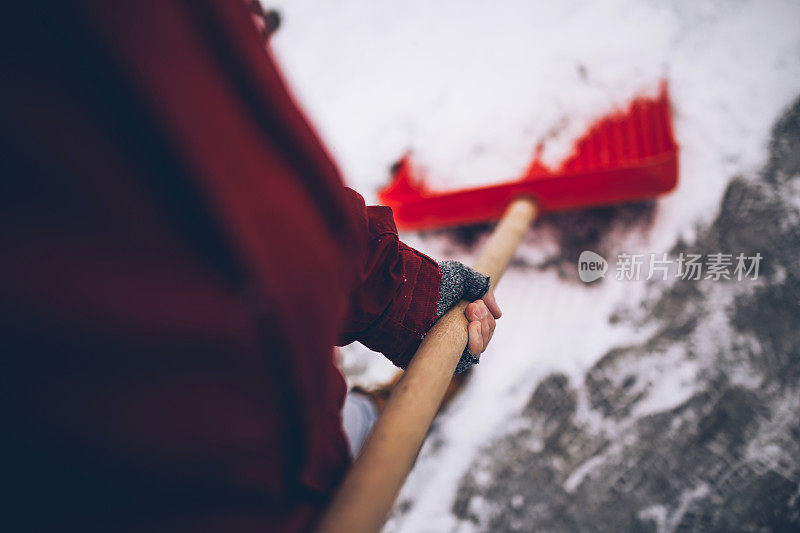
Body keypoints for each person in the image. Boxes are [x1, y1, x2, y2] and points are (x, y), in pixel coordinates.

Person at [1, 1, 501, 530]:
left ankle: (373, 416)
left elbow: (246, 175)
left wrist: (406, 297)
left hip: (278, 446)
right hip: (180, 493)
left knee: (337, 432)